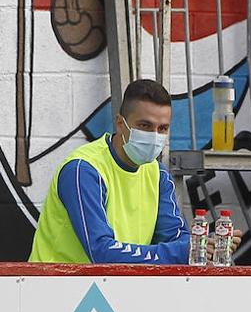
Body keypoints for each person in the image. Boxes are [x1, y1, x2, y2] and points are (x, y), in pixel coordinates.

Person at [29, 80, 239, 264]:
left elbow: (176, 239)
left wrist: (206, 247)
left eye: (163, 128)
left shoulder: (158, 174)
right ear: (120, 124)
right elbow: (100, 252)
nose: (155, 136)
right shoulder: (83, 169)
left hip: (116, 290)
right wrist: (182, 251)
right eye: (145, 125)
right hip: (55, 292)